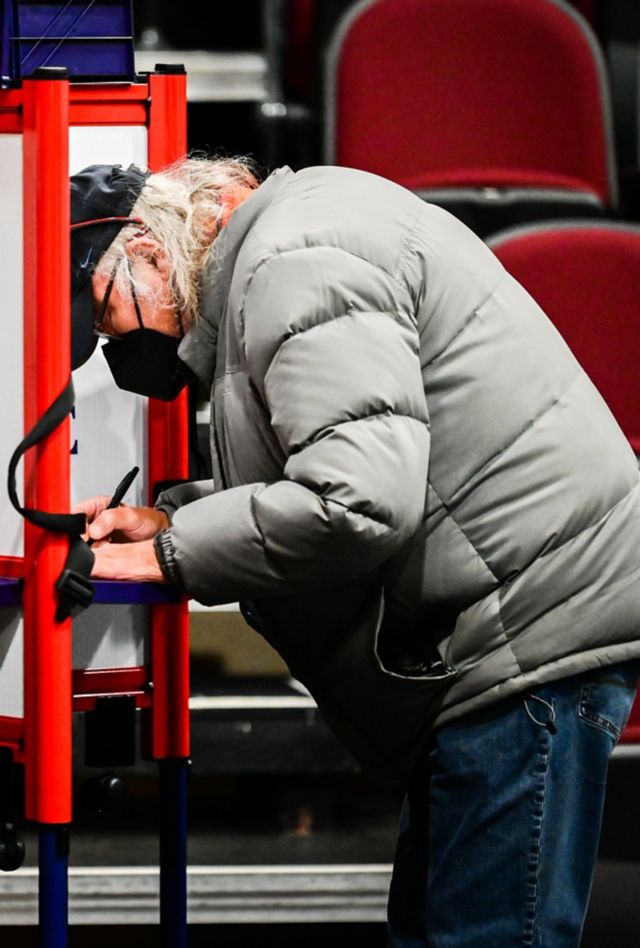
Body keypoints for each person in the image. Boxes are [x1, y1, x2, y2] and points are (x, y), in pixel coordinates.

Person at [70, 157, 640, 947]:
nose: (117, 344)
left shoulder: (292, 262)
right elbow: (336, 466)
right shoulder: (289, 244)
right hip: (498, 633)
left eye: (107, 311)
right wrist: (174, 521)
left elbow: (356, 501)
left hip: (525, 632)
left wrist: (171, 558)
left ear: (153, 250)